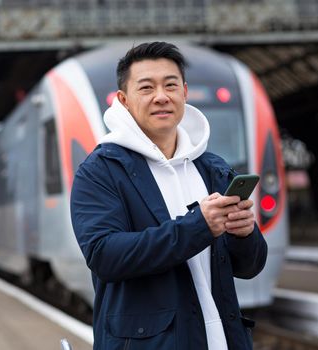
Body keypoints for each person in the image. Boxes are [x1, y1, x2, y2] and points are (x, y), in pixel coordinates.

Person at [70, 42, 267, 350]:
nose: (161, 96)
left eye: (170, 85)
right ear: (123, 100)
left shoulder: (211, 167)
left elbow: (249, 267)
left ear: (184, 93)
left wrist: (245, 234)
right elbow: (104, 255)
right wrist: (198, 225)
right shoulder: (100, 171)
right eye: (146, 88)